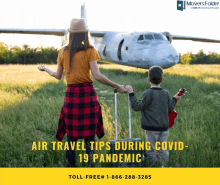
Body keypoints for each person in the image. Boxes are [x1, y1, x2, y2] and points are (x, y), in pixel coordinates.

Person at [38, 18, 126, 167]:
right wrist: (117, 86)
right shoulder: (90, 50)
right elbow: (97, 76)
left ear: (70, 34)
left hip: (71, 97)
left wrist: (46, 69)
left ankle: (70, 166)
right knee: (89, 137)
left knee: (71, 137)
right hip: (88, 96)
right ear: (85, 33)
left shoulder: (62, 51)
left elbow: (58, 76)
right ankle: (90, 166)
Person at [125, 65, 181, 167]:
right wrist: (174, 99)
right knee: (163, 149)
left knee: (151, 149)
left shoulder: (147, 93)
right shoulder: (166, 93)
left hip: (151, 129)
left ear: (148, 79)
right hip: (164, 128)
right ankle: (163, 166)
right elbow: (170, 108)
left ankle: (152, 166)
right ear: (162, 79)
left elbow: (136, 107)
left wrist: (131, 93)